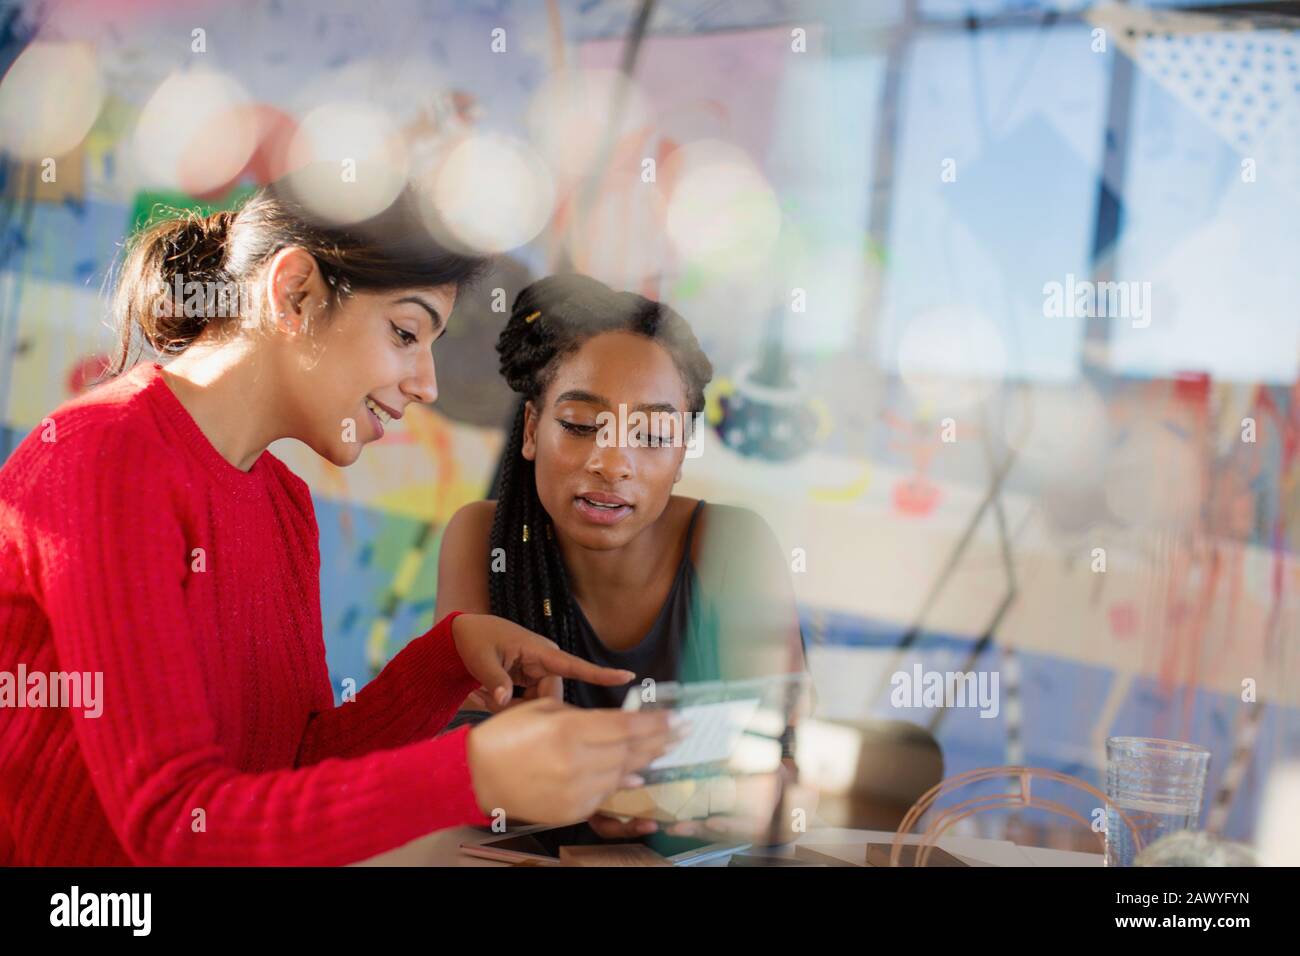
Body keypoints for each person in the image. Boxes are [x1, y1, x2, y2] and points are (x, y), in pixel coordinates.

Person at [0, 185, 671, 866]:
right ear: (294, 294)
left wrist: (442, 663)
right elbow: (177, 823)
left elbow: (291, 770)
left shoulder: (283, 504)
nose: (426, 384)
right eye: (406, 333)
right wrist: (472, 774)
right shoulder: (106, 455)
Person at [435, 274, 807, 840]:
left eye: (654, 435)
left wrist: (677, 798)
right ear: (532, 429)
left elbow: (783, 772)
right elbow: (449, 774)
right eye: (581, 426)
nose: (613, 463)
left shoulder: (734, 548)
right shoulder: (481, 540)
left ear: (683, 451)